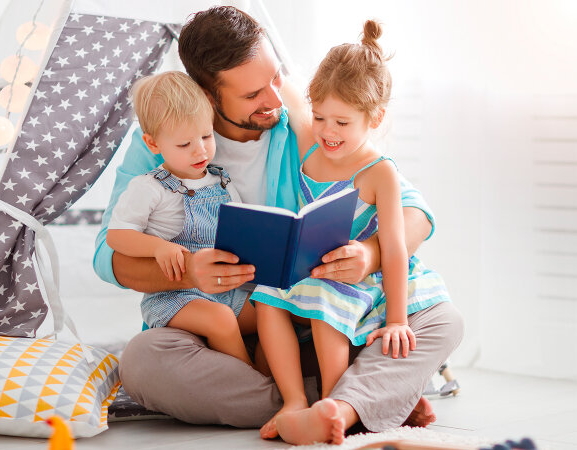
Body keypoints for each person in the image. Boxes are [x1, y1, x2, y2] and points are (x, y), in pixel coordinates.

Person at [92, 6, 463, 445]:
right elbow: (107, 257)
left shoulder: (303, 120)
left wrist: (369, 255)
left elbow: (413, 211)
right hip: (228, 339)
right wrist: (191, 270)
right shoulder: (164, 136)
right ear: (209, 96)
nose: (274, 97)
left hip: (316, 316)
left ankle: (334, 404)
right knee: (143, 362)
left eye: (275, 77)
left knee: (442, 319)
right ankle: (361, 400)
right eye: (252, 95)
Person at [251, 20, 452, 445]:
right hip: (319, 268)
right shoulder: (312, 154)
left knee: (328, 304)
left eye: (342, 122)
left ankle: (333, 400)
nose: (327, 131)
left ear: (374, 117)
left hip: (362, 280)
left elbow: (395, 250)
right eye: (320, 117)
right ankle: (293, 402)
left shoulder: (380, 172)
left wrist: (397, 320)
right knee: (267, 299)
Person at [106, 71, 256, 366]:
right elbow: (117, 235)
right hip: (175, 296)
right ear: (153, 144)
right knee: (222, 321)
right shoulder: (149, 187)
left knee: (273, 311)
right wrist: (158, 248)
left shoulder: (222, 181)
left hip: (227, 290)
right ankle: (253, 383)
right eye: (185, 144)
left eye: (205, 136)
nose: (200, 149)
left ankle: (283, 386)